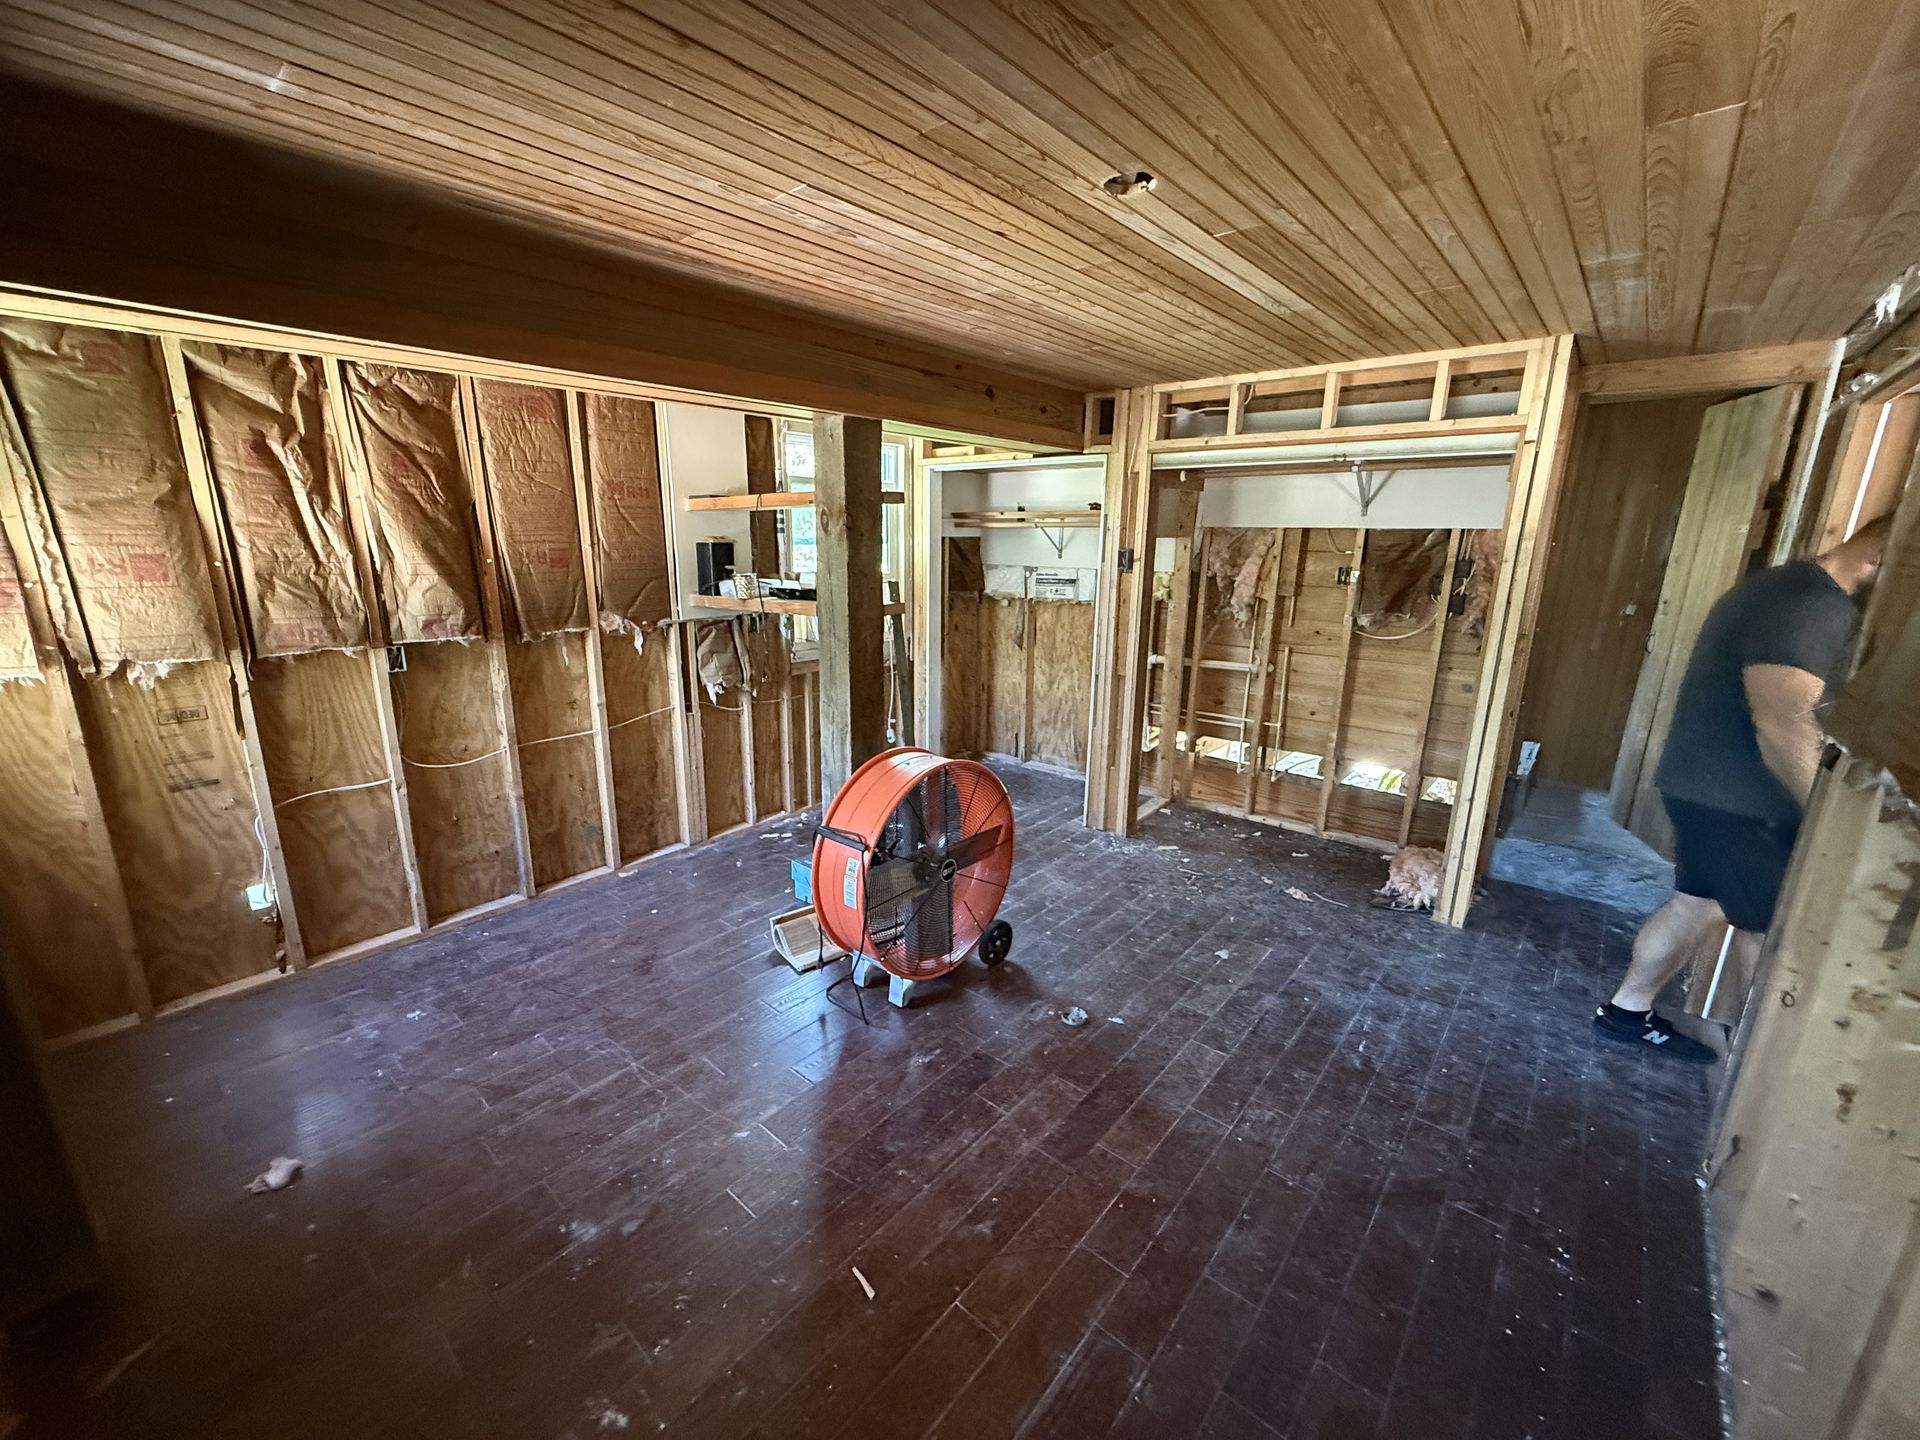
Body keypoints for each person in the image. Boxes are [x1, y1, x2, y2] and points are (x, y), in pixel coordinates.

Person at [1593, 516, 1892, 1061]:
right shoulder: (1812, 605)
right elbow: (1783, 719)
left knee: (1697, 905)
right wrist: (1822, 815)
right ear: (1881, 557)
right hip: (1743, 802)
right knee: (1775, 934)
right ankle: (1754, 1080)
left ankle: (1624, 1014)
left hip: (1706, 787)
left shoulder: (1784, 588)